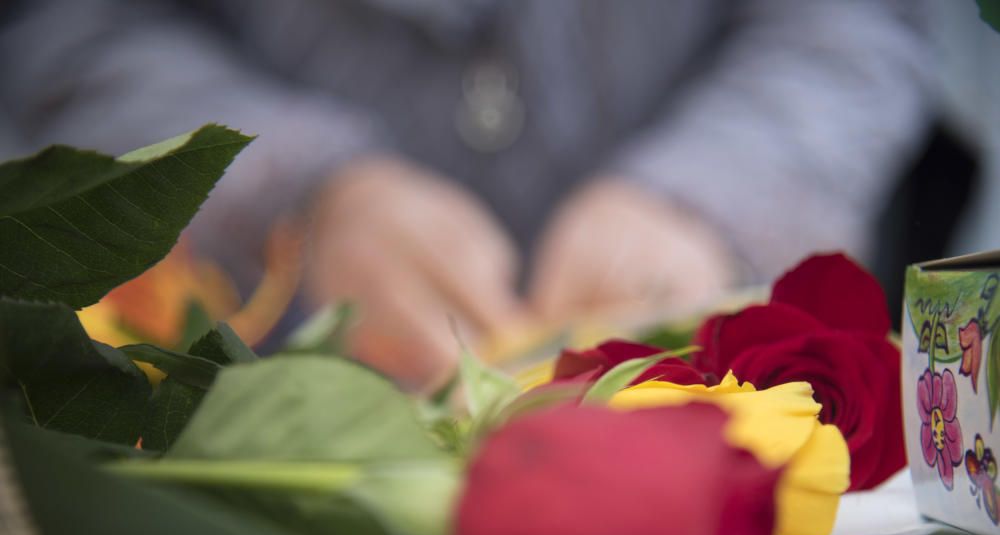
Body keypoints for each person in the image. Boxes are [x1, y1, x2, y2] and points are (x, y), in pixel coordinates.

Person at [0, 0, 933, 387]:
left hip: (705, 393)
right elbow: (62, 21)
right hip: (254, 406)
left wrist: (712, 192)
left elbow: (861, 18)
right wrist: (291, 187)